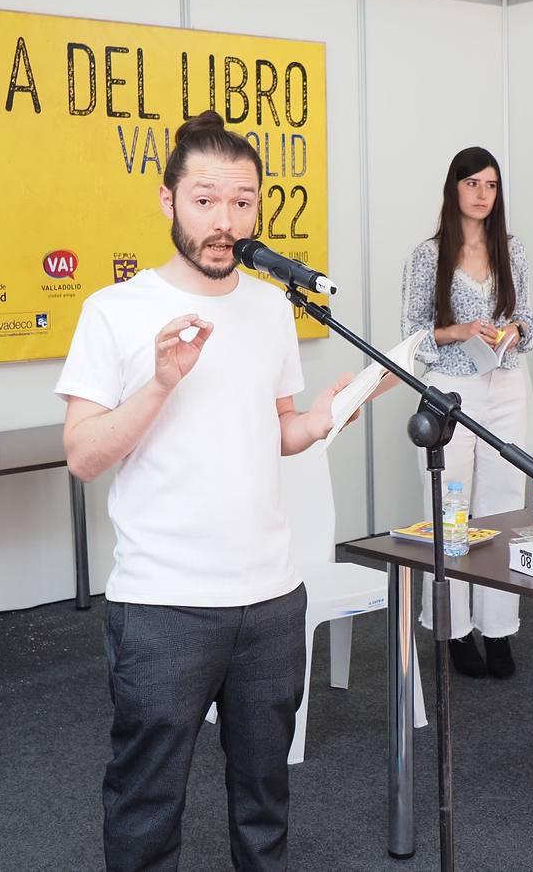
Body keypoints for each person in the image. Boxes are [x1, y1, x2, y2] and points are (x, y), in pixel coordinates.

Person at [56, 110, 352, 870]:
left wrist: (320, 419)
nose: (225, 222)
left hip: (270, 598)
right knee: (146, 802)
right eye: (206, 200)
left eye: (243, 202)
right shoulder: (113, 311)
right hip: (163, 603)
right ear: (167, 201)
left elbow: (274, 429)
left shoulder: (268, 305)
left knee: (264, 802)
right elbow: (84, 456)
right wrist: (158, 384)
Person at [400, 146, 533, 680]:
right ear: (453, 188)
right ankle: (454, 629)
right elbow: (413, 332)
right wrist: (459, 330)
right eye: (473, 184)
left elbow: (530, 318)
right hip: (450, 389)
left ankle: (498, 627)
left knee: (504, 504)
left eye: (491, 186)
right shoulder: (427, 256)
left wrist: (516, 331)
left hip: (507, 384)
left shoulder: (514, 251)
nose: (482, 195)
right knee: (451, 508)